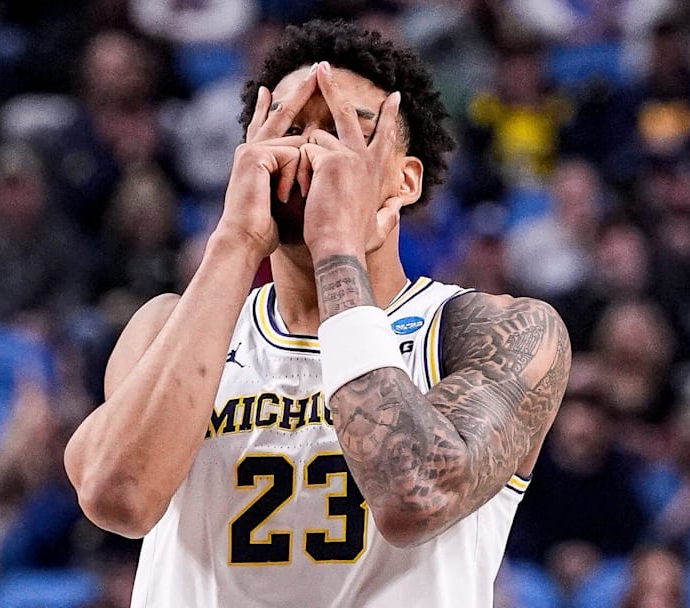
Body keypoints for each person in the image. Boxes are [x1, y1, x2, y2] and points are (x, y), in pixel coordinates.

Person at [64, 20, 570, 608]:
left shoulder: (494, 330)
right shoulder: (166, 326)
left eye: (343, 131)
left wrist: (337, 251)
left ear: (404, 181)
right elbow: (118, 499)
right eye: (290, 127)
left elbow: (415, 497)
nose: (310, 152)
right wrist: (234, 241)